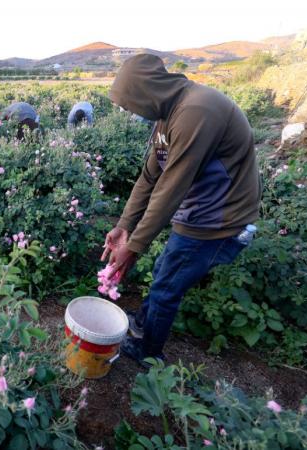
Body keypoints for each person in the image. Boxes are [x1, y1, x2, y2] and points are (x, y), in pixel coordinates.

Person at [101, 54, 261, 368]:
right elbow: (150, 177)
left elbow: (171, 186)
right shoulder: (168, 113)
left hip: (217, 219)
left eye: (129, 103)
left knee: (167, 286)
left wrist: (134, 247)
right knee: (165, 270)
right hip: (200, 211)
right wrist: (124, 227)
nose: (129, 110)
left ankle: (149, 353)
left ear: (145, 92)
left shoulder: (196, 111)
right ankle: (146, 321)